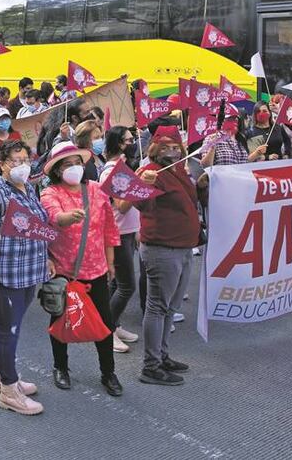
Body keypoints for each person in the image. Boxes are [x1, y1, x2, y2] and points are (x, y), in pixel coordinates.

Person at [0, 140, 52, 415]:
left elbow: (39, 226)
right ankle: (8, 391)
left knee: (13, 326)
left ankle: (1, 375)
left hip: (29, 271)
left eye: (25, 160)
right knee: (7, 331)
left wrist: (48, 256)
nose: (21, 166)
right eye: (14, 161)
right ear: (2, 164)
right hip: (4, 274)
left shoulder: (29, 188)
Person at [40, 141, 122, 396]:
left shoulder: (97, 191)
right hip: (63, 271)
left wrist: (110, 262)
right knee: (59, 322)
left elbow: (109, 228)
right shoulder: (50, 194)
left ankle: (108, 373)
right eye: (67, 165)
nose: (74, 168)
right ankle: (60, 367)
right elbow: (53, 217)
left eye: (77, 163)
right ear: (56, 170)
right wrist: (68, 217)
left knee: (104, 325)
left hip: (96, 270)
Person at [133, 126, 200, 386]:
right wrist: (143, 187)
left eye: (175, 147)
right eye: (165, 147)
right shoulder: (151, 172)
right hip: (162, 249)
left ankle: (161, 355)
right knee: (157, 307)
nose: (172, 151)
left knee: (170, 307)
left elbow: (191, 199)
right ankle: (151, 365)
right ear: (155, 148)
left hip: (182, 247)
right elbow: (143, 206)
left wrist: (202, 184)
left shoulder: (178, 169)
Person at [100, 126, 141, 353]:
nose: (132, 142)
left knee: (117, 284)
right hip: (118, 233)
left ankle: (114, 324)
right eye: (127, 140)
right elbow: (122, 207)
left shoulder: (123, 167)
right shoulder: (110, 172)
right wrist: (140, 186)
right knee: (126, 287)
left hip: (128, 231)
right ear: (117, 143)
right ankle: (106, 330)